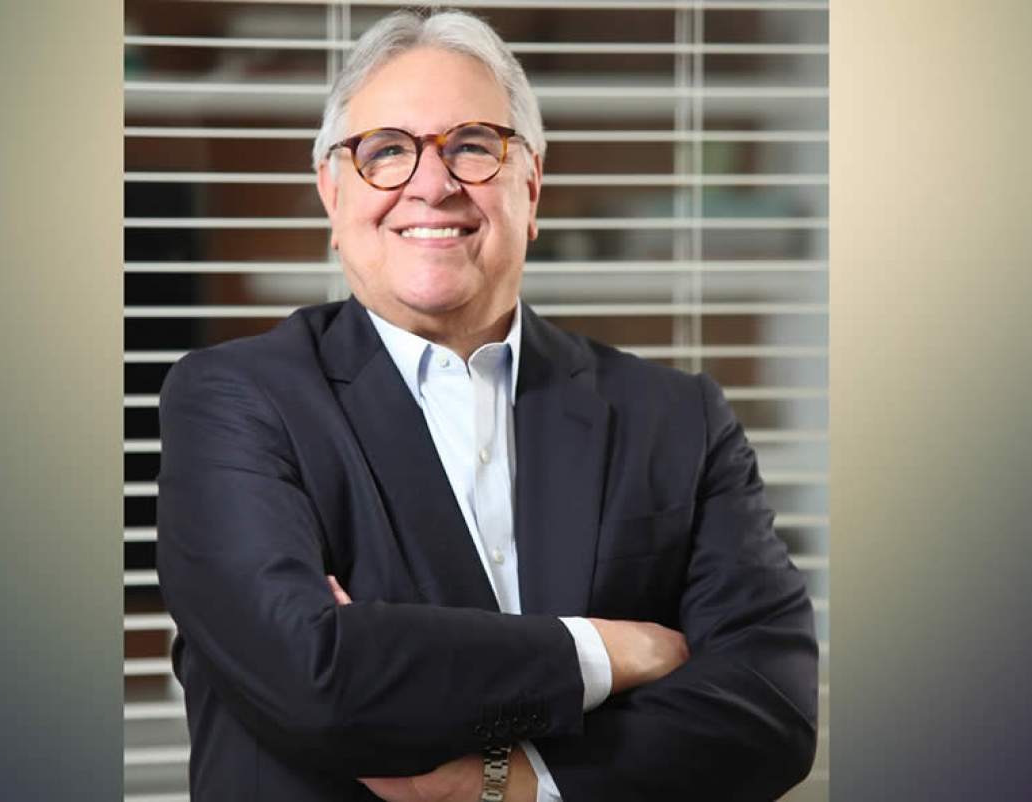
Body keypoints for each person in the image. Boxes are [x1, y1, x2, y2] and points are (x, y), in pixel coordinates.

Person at [157, 9, 817, 801]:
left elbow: (772, 709)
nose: (431, 185)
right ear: (333, 195)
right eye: (386, 151)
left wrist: (511, 783)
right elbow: (316, 675)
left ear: (529, 189)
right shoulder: (233, 404)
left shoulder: (677, 420)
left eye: (472, 146)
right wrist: (609, 651)